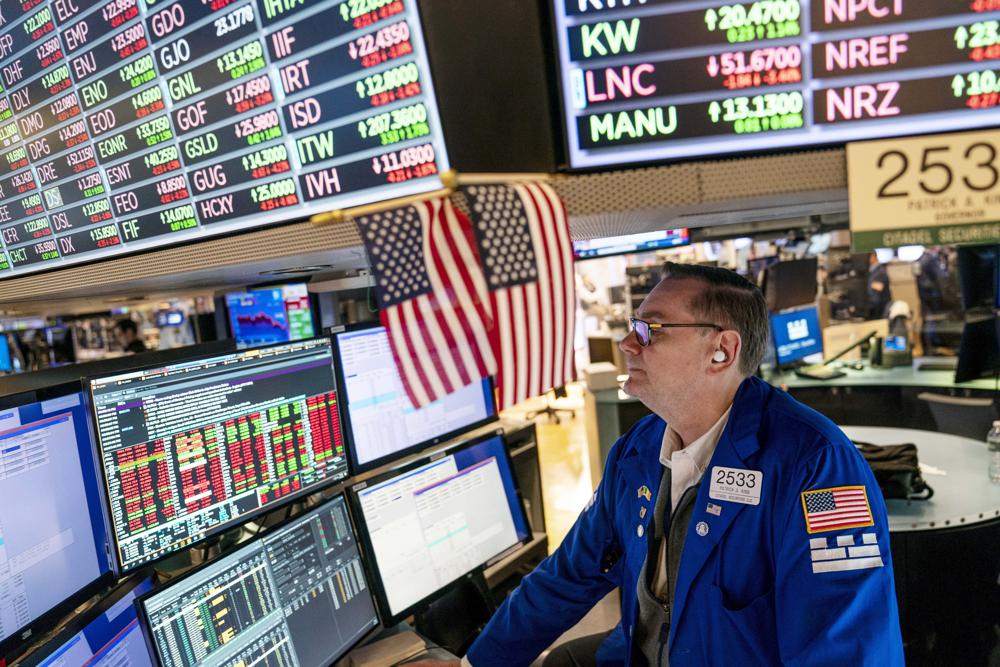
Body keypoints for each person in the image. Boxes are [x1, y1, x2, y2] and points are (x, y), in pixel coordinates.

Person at [411, 262, 903, 666]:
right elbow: (569, 575)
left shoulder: (817, 467)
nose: (629, 344)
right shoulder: (639, 450)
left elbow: (846, 651)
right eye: (633, 328)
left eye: (651, 330)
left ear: (722, 350)